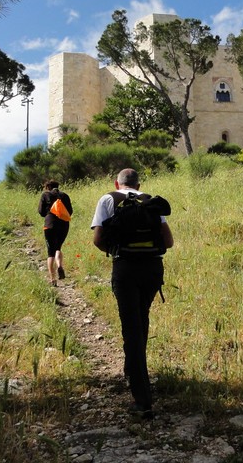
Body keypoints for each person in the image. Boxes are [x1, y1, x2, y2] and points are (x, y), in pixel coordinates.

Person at [91, 168, 174, 419]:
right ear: (139, 184)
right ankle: (133, 369)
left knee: (131, 327)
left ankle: (142, 399)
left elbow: (97, 239)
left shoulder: (108, 199)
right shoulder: (150, 201)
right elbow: (168, 242)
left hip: (125, 266)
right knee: (142, 318)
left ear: (117, 183)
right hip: (152, 268)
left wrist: (115, 250)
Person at [38, 179, 73, 286]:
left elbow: (41, 211)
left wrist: (48, 213)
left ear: (47, 187)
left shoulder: (45, 195)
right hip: (64, 225)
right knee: (58, 248)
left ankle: (53, 279)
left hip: (50, 225)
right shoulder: (65, 196)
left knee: (50, 252)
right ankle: (59, 266)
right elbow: (70, 211)